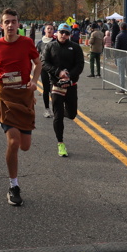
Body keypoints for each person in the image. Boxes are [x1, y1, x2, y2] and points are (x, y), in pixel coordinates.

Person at [0, 8, 40, 206]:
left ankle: (14, 180)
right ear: (1, 25)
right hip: (5, 97)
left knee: (25, 146)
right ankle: (14, 185)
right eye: (7, 22)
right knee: (13, 141)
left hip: (24, 97)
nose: (10, 25)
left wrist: (34, 81)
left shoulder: (27, 43)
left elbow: (38, 64)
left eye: (13, 21)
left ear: (18, 24)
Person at [43, 23, 85, 157]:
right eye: (62, 32)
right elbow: (44, 62)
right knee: (58, 116)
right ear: (57, 33)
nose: (64, 35)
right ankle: (60, 143)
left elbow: (80, 65)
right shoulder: (50, 46)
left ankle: (63, 113)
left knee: (72, 114)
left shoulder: (75, 47)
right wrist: (58, 72)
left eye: (67, 33)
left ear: (69, 35)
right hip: (56, 85)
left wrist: (69, 76)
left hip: (71, 84)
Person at [37, 23, 57, 118]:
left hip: (54, 69)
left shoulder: (56, 42)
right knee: (46, 89)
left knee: (54, 89)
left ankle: (56, 109)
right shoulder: (40, 43)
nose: (49, 30)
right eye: (48, 28)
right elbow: (37, 56)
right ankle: (47, 109)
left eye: (51, 29)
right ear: (44, 30)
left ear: (53, 31)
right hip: (44, 69)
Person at [112, 22, 127, 92]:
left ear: (120, 28)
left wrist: (115, 56)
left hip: (121, 56)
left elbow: (117, 48)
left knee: (121, 73)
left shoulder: (119, 36)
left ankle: (122, 88)